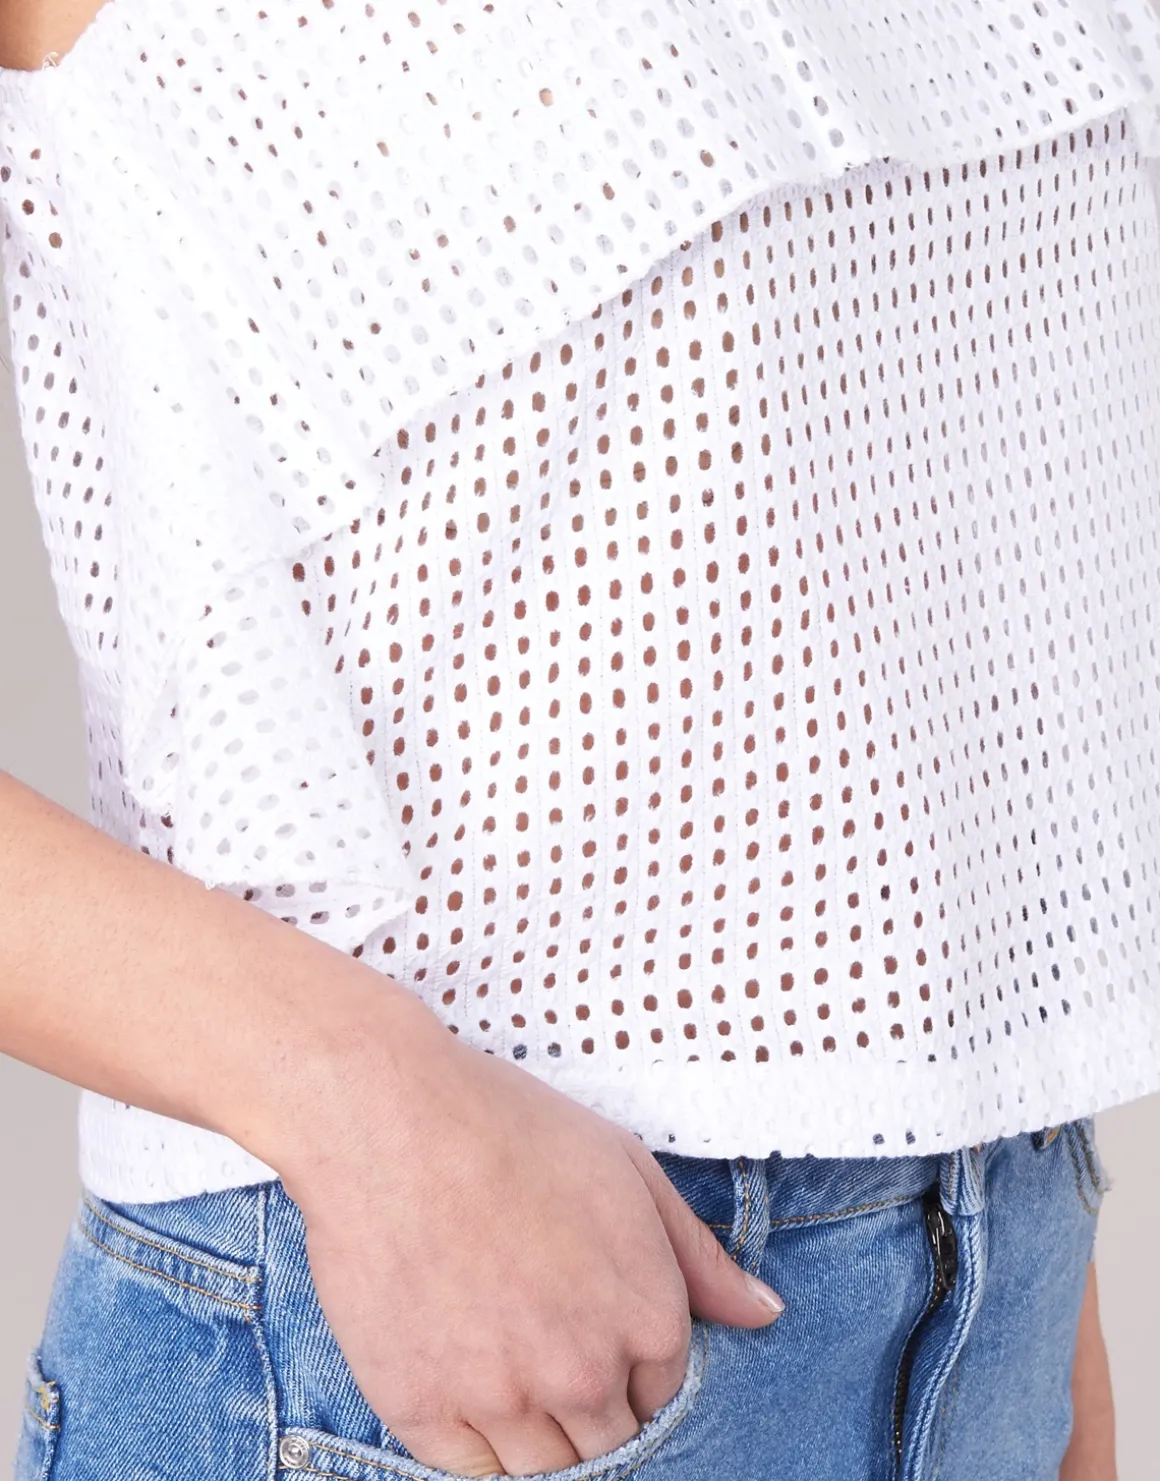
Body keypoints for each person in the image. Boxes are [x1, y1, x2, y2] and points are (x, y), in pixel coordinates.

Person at [1, 1, 1156, 1477]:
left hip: (981, 1260)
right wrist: (353, 1097)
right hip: (478, 1325)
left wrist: (997, 1158)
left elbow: (897, 459)